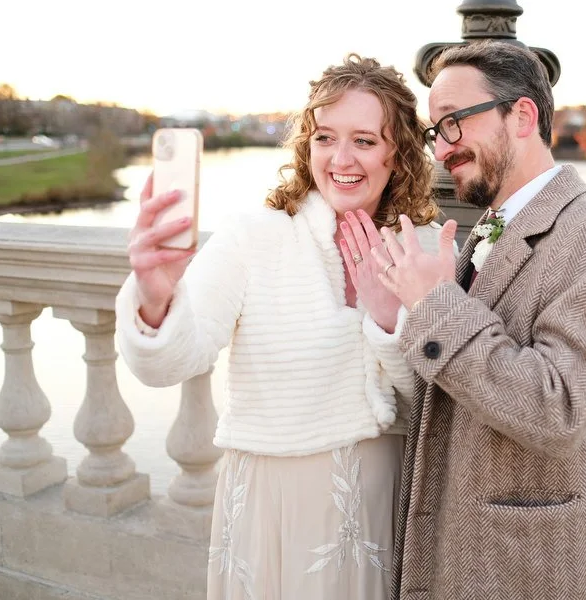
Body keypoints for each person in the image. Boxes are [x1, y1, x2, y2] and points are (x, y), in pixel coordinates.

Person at [114, 54, 455, 600]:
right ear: (306, 146)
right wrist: (155, 299)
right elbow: (173, 362)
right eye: (325, 138)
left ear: (398, 154)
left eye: (364, 140)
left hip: (381, 503)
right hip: (271, 502)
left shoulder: (427, 251)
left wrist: (389, 320)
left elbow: (439, 406)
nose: (341, 159)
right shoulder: (253, 237)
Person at [371, 41, 586, 599]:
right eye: (435, 131)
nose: (441, 149)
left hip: (528, 567)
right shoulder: (491, 227)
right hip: (459, 551)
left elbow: (559, 407)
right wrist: (398, 316)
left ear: (521, 116)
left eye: (454, 123)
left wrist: (435, 307)